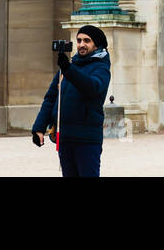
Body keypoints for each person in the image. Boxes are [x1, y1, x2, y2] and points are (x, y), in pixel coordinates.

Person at [32, 25, 112, 177]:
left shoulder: (101, 67)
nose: (81, 44)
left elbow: (92, 87)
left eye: (87, 40)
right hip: (65, 136)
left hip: (87, 138)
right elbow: (51, 98)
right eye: (79, 40)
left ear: (97, 44)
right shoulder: (70, 66)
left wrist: (68, 69)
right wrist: (39, 128)